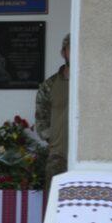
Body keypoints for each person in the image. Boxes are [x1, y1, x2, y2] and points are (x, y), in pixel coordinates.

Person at [35, 33, 70, 182]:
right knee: (55, 201)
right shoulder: (50, 85)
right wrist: (53, 139)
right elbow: (41, 118)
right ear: (63, 52)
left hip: (86, 156)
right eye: (70, 48)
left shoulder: (90, 83)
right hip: (58, 156)